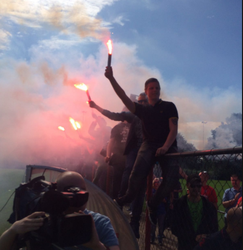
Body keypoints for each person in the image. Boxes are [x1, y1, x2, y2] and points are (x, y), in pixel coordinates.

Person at [104, 66, 179, 226]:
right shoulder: (143, 110)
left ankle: (153, 204)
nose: (154, 90)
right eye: (151, 88)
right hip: (149, 145)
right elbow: (123, 97)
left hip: (168, 146)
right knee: (135, 175)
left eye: (157, 88)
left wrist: (165, 147)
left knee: (171, 180)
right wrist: (111, 79)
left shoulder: (169, 106)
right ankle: (126, 198)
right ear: (146, 90)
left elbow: (173, 130)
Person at [0, 171, 120, 250]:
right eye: (69, 195)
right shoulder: (42, 221)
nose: (76, 201)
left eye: (81, 194)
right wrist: (13, 230)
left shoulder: (100, 223)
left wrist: (97, 246)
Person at [89, 93, 148, 238]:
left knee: (138, 189)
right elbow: (111, 142)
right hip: (119, 162)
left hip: (136, 160)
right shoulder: (118, 126)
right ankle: (117, 216)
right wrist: (108, 155)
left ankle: (133, 220)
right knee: (117, 188)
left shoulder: (140, 120)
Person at [171, 174, 218, 250]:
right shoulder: (179, 204)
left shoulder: (209, 206)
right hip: (185, 245)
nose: (196, 188)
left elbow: (214, 228)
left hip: (202, 245)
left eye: (199, 185)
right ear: (187, 185)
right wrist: (191, 236)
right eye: (193, 185)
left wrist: (206, 236)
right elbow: (174, 226)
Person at [106, 120, 130, 199]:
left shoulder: (134, 125)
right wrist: (108, 155)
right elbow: (111, 142)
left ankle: (122, 199)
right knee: (117, 179)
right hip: (119, 157)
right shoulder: (116, 128)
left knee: (125, 179)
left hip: (130, 157)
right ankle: (116, 200)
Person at [150, 178, 168, 246]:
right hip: (154, 211)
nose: (157, 184)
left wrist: (160, 198)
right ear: (153, 184)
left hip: (161, 211)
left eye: (158, 182)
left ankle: (160, 240)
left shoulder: (162, 191)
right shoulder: (152, 191)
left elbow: (165, 200)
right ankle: (152, 238)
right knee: (153, 226)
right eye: (155, 182)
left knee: (161, 226)